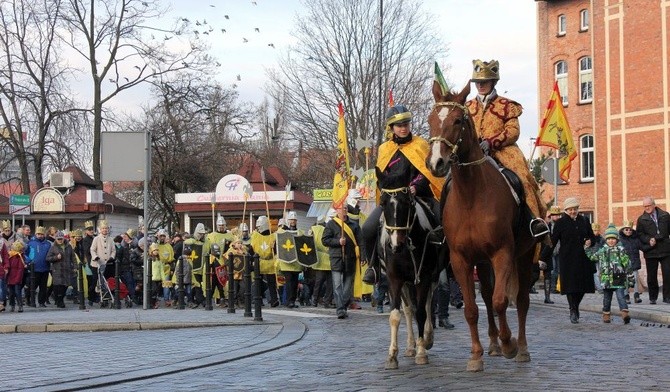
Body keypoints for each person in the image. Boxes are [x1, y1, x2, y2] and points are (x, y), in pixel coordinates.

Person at [362, 104, 445, 284]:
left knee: (444, 222)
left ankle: (446, 265)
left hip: (420, 195)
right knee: (367, 228)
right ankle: (373, 267)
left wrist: (415, 187)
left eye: (406, 124)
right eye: (399, 125)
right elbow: (381, 176)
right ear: (391, 128)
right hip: (393, 200)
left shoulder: (421, 144)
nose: (403, 128)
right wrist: (385, 188)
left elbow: (427, 172)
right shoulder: (385, 149)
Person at [466, 59, 549, 239]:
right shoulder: (467, 107)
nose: (480, 85)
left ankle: (533, 221)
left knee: (522, 178)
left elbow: (513, 131)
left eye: (484, 82)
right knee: (451, 179)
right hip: (474, 154)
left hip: (503, 151)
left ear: (493, 82)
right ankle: (443, 225)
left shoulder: (507, 105)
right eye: (477, 82)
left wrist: (491, 142)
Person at [540, 197, 595, 324]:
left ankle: (575, 305)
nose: (573, 212)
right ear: (566, 210)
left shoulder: (585, 220)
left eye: (575, 209)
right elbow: (552, 241)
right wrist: (543, 257)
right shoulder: (561, 223)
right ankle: (573, 309)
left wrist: (590, 241)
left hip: (583, 258)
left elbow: (592, 237)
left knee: (582, 287)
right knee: (570, 287)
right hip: (567, 259)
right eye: (570, 209)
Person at [322, 204, 364, 319]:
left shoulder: (354, 225)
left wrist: (363, 257)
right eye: (342, 208)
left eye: (345, 208)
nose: (344, 210)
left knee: (347, 287)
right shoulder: (331, 224)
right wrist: (338, 242)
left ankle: (343, 306)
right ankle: (340, 309)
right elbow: (325, 240)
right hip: (336, 258)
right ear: (337, 210)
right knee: (337, 285)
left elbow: (361, 242)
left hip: (350, 259)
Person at [588, 223, 631, 324]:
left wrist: (630, 277)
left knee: (621, 297)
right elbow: (592, 257)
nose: (611, 241)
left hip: (618, 277)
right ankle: (606, 315)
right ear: (606, 240)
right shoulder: (602, 251)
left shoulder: (621, 250)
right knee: (607, 299)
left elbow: (627, 264)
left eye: (613, 239)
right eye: (609, 239)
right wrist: (587, 248)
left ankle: (625, 315)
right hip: (606, 278)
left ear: (616, 239)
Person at [635, 196, 670, 304]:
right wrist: (648, 240)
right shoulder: (641, 219)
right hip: (651, 250)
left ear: (654, 205)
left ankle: (667, 297)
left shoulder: (665, 215)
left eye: (648, 206)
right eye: (644, 206)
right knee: (651, 276)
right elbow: (639, 234)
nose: (646, 208)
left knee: (668, 274)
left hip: (666, 249)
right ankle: (653, 297)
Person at [276, 211, 303, 308]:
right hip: (286, 261)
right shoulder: (282, 232)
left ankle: (292, 300)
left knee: (295, 283)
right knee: (289, 281)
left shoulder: (299, 232)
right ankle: (288, 301)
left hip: (296, 262)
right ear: (288, 221)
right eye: (291, 220)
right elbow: (278, 240)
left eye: (294, 220)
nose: (293, 221)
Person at [251, 216, 279, 307]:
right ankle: (257, 299)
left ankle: (274, 299)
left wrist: (274, 247)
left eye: (259, 226)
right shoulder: (255, 235)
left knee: (271, 282)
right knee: (257, 281)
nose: (258, 228)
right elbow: (251, 248)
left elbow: (276, 250)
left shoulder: (273, 236)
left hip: (270, 261)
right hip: (259, 260)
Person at [309, 211, 334, 308]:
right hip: (321, 259)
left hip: (329, 258)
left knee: (327, 283)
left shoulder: (332, 227)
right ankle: (316, 300)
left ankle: (323, 301)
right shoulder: (313, 229)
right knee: (320, 282)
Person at [90, 220, 116, 306]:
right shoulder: (96, 239)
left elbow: (113, 250)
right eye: (103, 228)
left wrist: (112, 257)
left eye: (106, 228)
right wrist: (95, 257)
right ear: (100, 229)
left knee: (106, 281)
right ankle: (92, 297)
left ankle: (106, 296)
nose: (105, 230)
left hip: (107, 264)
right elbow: (92, 249)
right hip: (97, 264)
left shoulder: (111, 239)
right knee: (95, 281)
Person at [539, 206, 561, 304]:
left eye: (557, 215)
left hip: (557, 251)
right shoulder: (547, 226)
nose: (556, 217)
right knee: (538, 274)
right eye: (554, 215)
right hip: (546, 252)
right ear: (551, 216)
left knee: (552, 273)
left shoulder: (560, 225)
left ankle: (547, 297)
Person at [45, 231, 74, 308]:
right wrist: (56, 258)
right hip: (57, 269)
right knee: (58, 286)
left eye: (61, 239)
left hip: (67, 269)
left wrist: (75, 267)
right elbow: (48, 258)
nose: (60, 240)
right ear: (56, 239)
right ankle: (60, 301)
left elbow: (73, 257)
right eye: (58, 239)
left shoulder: (69, 246)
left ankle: (59, 299)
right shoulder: (53, 247)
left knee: (66, 285)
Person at [25, 226, 52, 307]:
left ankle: (41, 302)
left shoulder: (48, 244)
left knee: (43, 287)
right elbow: (25, 254)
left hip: (45, 268)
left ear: (44, 235)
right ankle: (29, 300)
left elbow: (50, 254)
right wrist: (29, 262)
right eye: (38, 234)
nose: (40, 236)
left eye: (41, 234)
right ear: (36, 234)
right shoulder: (30, 243)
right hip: (34, 268)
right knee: (32, 286)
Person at [619, 220, 642, 304]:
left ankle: (636, 295)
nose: (628, 231)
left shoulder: (635, 239)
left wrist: (651, 245)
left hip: (634, 261)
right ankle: (626, 296)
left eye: (630, 230)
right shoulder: (620, 240)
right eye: (626, 229)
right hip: (624, 263)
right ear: (623, 230)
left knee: (635, 279)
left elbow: (642, 246)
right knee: (625, 280)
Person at [5, 241, 26, 312]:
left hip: (16, 278)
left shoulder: (19, 256)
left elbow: (20, 269)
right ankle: (12, 305)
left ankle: (20, 306)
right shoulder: (10, 255)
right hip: (10, 277)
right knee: (11, 293)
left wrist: (18, 279)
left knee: (17, 292)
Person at [587, 223, 606, 293]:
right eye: (594, 230)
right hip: (590, 257)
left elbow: (604, 247)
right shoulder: (589, 239)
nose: (596, 232)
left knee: (598, 273)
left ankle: (600, 288)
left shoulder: (602, 239)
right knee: (592, 274)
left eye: (597, 230)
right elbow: (586, 248)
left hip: (599, 258)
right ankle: (596, 287)